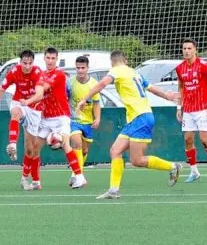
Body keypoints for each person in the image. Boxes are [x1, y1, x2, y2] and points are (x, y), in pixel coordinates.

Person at [77, 50, 182, 200]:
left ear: (112, 62)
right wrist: (167, 95)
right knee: (115, 151)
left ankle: (173, 166)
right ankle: (113, 190)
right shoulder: (134, 72)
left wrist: (83, 99)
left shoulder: (116, 70)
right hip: (136, 118)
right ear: (125, 60)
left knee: (137, 160)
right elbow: (151, 88)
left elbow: (101, 84)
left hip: (141, 118)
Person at [0, 49, 45, 189]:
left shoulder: (37, 72)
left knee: (31, 150)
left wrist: (28, 101)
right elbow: (1, 89)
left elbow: (40, 94)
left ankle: (26, 178)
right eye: (24, 63)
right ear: (20, 62)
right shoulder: (14, 71)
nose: (27, 66)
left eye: (29, 63)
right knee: (15, 112)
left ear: (33, 63)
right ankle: (12, 144)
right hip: (19, 102)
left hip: (34, 108)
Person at [33, 47, 86, 190]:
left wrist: (30, 89)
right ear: (44, 58)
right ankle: (36, 182)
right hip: (46, 118)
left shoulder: (59, 74)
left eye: (53, 58)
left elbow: (43, 87)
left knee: (66, 145)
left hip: (61, 116)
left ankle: (80, 177)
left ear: (56, 59)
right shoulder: (41, 74)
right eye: (48, 58)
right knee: (35, 148)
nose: (50, 61)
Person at [175, 39, 207, 182]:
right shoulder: (179, 68)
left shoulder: (204, 66)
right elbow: (181, 88)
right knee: (188, 139)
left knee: (203, 139)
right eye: (184, 48)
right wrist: (179, 107)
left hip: (202, 109)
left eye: (189, 48)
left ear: (195, 50)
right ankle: (194, 171)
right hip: (188, 109)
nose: (186, 51)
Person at [67, 56, 101, 181]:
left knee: (84, 150)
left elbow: (96, 103)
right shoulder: (70, 82)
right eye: (78, 68)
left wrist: (97, 118)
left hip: (87, 121)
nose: (80, 70)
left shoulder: (93, 84)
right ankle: (77, 174)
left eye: (83, 68)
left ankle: (77, 169)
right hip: (73, 120)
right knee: (77, 143)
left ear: (87, 68)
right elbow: (64, 99)